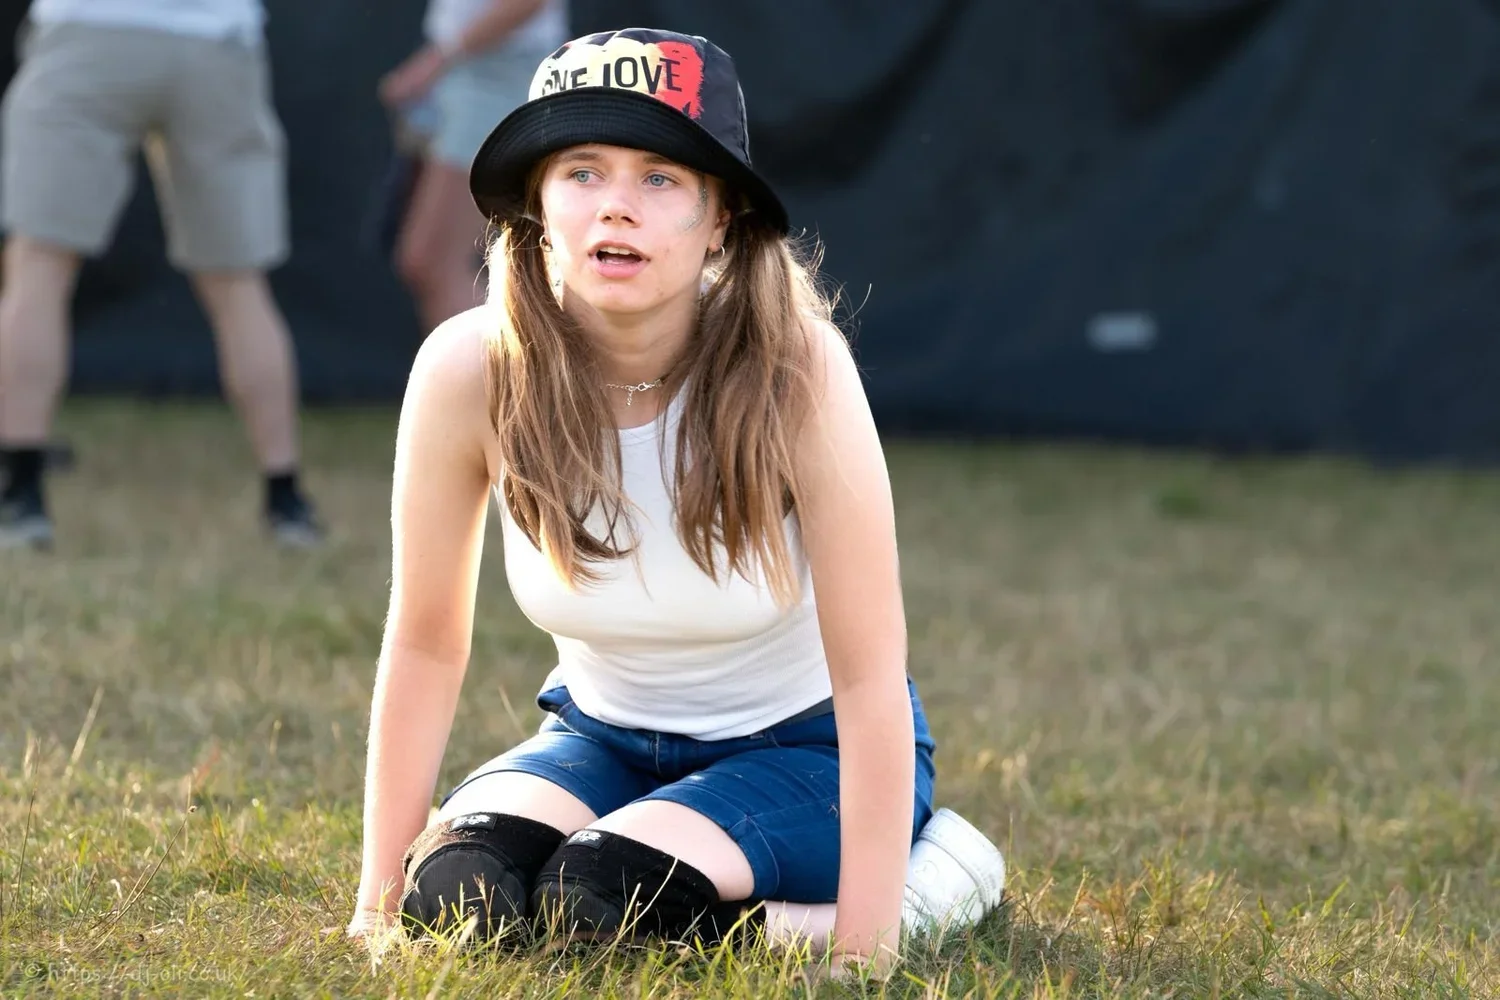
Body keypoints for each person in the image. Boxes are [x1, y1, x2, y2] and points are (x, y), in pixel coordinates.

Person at [345, 28, 1006, 978]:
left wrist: (866, 944)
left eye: (661, 177)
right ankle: (628, 847)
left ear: (721, 219)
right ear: (536, 200)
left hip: (803, 751)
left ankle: (939, 878)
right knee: (460, 897)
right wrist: (377, 903)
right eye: (582, 170)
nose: (617, 205)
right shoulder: (468, 367)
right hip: (599, 735)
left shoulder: (797, 370)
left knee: (605, 901)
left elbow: (871, 677)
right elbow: (424, 640)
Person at [0, 0, 323, 550]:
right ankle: (285, 497)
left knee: (38, 267)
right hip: (216, 41)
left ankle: (21, 494)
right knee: (238, 284)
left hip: (87, 29)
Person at [379, 0, 568, 334]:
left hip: (498, 70)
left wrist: (436, 59)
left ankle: (509, 383)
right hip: (471, 68)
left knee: (434, 260)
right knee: (430, 259)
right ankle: (503, 381)